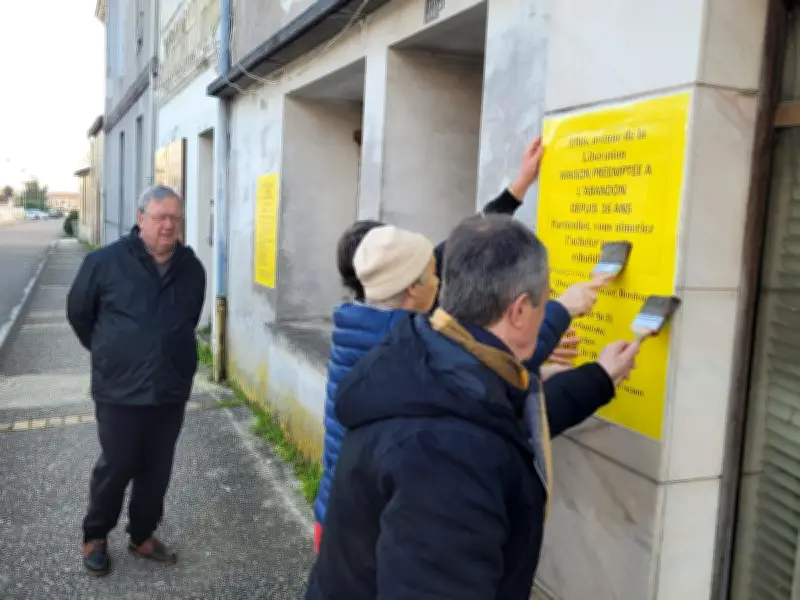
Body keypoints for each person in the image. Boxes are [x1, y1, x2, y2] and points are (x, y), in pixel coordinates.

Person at [305, 214, 641, 600]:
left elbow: (504, 419)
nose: (548, 310)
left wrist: (599, 377)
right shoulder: (446, 451)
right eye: (546, 300)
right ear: (517, 312)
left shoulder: (424, 353)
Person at [67, 185, 206, 576]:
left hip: (170, 388)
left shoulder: (192, 269)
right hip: (120, 388)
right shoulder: (105, 262)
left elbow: (188, 321)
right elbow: (80, 313)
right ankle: (95, 535)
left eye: (174, 219)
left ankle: (142, 534)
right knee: (118, 464)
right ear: (140, 217)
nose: (167, 226)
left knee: (157, 466)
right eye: (160, 217)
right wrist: (111, 352)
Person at [313, 224, 437, 553]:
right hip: (369, 532)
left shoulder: (354, 320)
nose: (440, 284)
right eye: (434, 274)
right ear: (413, 286)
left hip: (334, 513)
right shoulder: (406, 348)